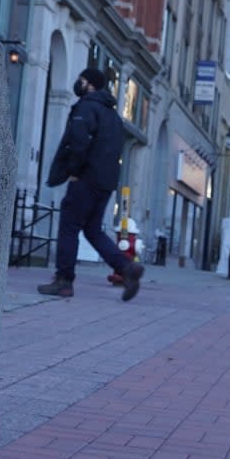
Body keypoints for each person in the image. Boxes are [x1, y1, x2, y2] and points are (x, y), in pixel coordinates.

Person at [38, 69, 144, 301]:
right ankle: (126, 268)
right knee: (93, 230)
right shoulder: (113, 116)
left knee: (69, 227)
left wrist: (74, 171)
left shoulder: (86, 108)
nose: (79, 83)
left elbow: (78, 142)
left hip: (85, 178)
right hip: (105, 182)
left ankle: (64, 281)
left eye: (82, 80)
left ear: (90, 85)